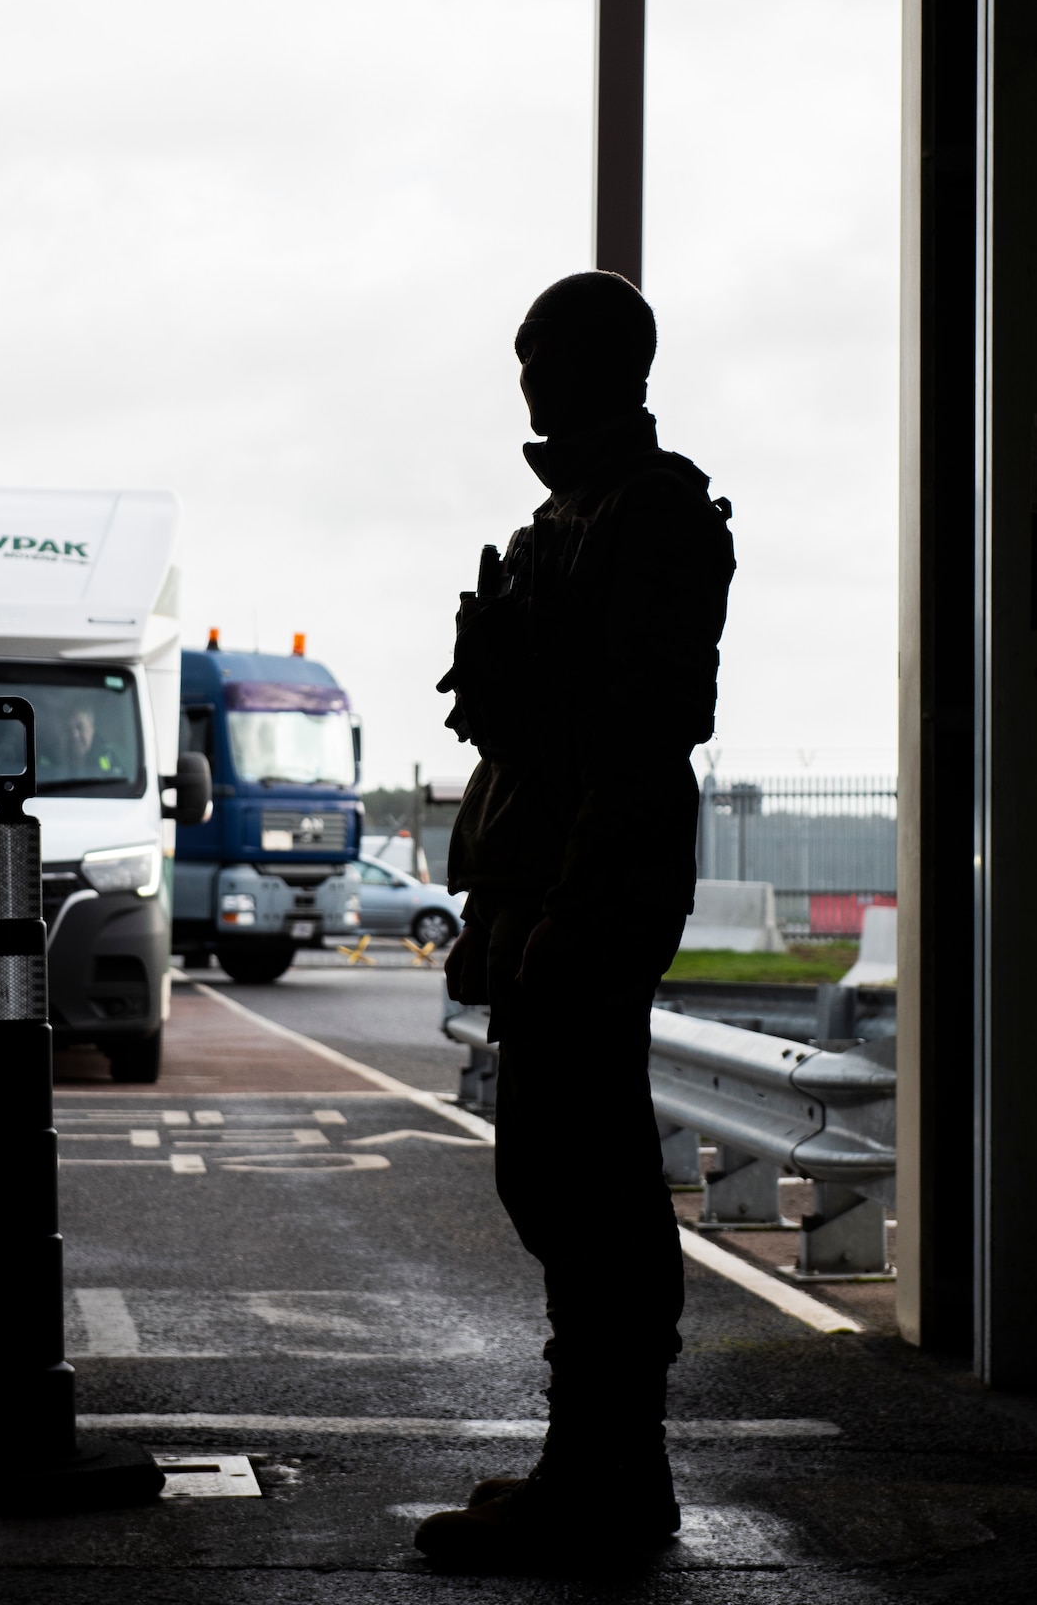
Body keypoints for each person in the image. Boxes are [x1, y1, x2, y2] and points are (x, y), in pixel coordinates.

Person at [415, 271, 735, 1571]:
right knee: (553, 1172)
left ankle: (613, 1476)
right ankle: (589, 1459)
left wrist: (573, 909)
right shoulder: (568, 516)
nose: (529, 380)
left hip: (593, 885)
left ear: (607, 364)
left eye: (546, 355)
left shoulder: (647, 519)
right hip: (546, 876)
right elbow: (535, 734)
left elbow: (639, 735)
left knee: (591, 1182)